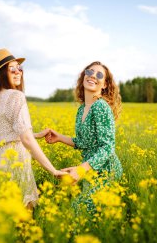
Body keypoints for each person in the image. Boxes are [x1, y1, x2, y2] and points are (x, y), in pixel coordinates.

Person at [0, 48, 66, 209]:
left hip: (1, 160)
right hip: (17, 162)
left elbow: (11, 133)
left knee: (6, 216)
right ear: (0, 74)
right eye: (12, 69)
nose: (18, 72)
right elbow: (25, 139)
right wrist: (53, 170)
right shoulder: (15, 96)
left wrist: (36, 134)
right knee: (24, 216)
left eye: (19, 68)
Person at [45, 61, 123, 212]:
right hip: (90, 168)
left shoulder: (100, 106)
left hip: (106, 170)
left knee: (80, 209)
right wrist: (59, 137)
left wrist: (80, 170)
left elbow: (107, 148)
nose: (93, 76)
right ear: (83, 76)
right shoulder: (82, 109)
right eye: (89, 72)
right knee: (80, 209)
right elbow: (83, 142)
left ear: (105, 84)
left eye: (99, 74)